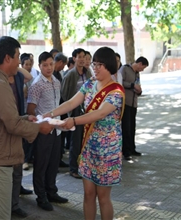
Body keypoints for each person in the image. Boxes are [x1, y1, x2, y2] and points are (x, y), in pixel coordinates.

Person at [0, 36, 53, 220]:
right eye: (17, 56)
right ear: (8, 58)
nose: (19, 61)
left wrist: (27, 118)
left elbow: (4, 119)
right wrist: (39, 128)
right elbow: (12, 125)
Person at [44, 47, 125, 220]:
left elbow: (100, 113)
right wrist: (49, 114)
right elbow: (72, 102)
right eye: (94, 63)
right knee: (88, 194)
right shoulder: (89, 84)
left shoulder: (116, 92)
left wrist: (73, 121)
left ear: (110, 66)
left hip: (107, 151)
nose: (95, 67)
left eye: (100, 65)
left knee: (103, 198)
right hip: (89, 148)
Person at [27, 51, 69, 211]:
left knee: (53, 163)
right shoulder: (37, 84)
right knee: (41, 164)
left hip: (57, 130)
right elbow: (30, 110)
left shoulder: (57, 82)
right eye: (45, 65)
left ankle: (52, 191)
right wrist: (42, 123)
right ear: (40, 66)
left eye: (51, 64)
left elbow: (58, 105)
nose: (49, 67)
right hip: (44, 131)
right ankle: (41, 196)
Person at [61, 48, 91, 179]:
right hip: (76, 111)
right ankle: (74, 168)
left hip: (87, 110)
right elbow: (65, 94)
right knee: (76, 140)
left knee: (85, 139)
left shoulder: (87, 72)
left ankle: (84, 166)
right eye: (79, 56)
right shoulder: (70, 75)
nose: (82, 59)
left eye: (84, 56)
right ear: (74, 59)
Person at [9, 68, 33, 218]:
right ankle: (7, 205)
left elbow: (29, 76)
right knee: (6, 173)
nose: (18, 62)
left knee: (17, 170)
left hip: (19, 124)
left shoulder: (17, 76)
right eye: (16, 57)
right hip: (6, 130)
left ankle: (15, 204)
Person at [120, 56, 149, 160]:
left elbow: (138, 85)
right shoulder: (125, 69)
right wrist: (132, 85)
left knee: (132, 127)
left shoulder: (137, 74)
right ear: (139, 63)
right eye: (143, 67)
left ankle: (132, 148)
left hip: (134, 103)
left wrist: (139, 91)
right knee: (126, 128)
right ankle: (126, 151)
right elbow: (120, 83)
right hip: (125, 103)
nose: (142, 69)